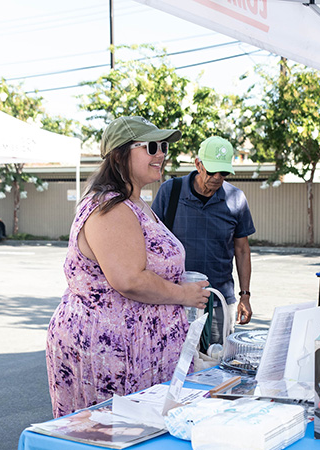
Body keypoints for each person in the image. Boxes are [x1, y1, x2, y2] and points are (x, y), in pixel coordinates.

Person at [46, 116, 209, 418]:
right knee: (109, 435)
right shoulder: (110, 207)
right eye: (152, 147)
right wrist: (183, 295)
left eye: (164, 147)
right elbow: (129, 279)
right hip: (111, 353)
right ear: (120, 155)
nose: (161, 154)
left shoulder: (134, 203)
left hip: (138, 349)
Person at [152, 135, 255, 345]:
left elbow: (242, 250)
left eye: (223, 172)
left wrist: (245, 295)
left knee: (216, 359)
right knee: (175, 359)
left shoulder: (236, 199)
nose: (217, 177)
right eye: (212, 170)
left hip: (218, 301)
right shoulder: (170, 192)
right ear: (198, 164)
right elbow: (152, 243)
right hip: (175, 299)